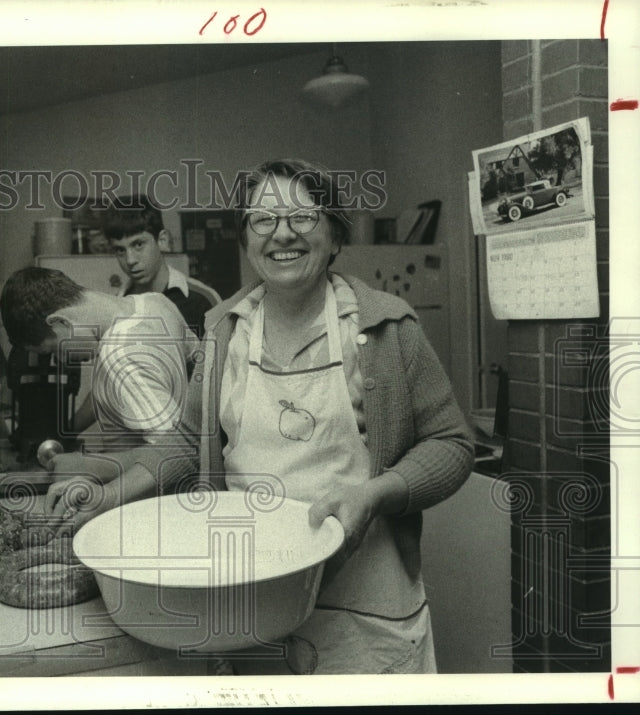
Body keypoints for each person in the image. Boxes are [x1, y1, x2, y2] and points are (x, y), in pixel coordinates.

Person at [45, 159, 474, 675]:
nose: (282, 234)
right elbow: (187, 443)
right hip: (252, 607)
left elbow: (451, 443)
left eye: (302, 217)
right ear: (247, 241)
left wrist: (376, 494)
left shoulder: (386, 327)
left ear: (335, 235)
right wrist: (110, 495)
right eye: (263, 220)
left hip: (364, 612)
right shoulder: (224, 332)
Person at [0, 266, 196, 454]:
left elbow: (178, 454)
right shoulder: (156, 303)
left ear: (60, 321)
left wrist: (92, 467)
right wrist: (69, 430)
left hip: (154, 489)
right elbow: (193, 370)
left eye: (53, 349)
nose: (60, 359)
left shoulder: (119, 355)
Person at [103, 194, 218, 338]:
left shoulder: (202, 299)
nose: (130, 260)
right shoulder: (116, 306)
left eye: (138, 244)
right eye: (120, 250)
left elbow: (222, 358)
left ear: (162, 240)